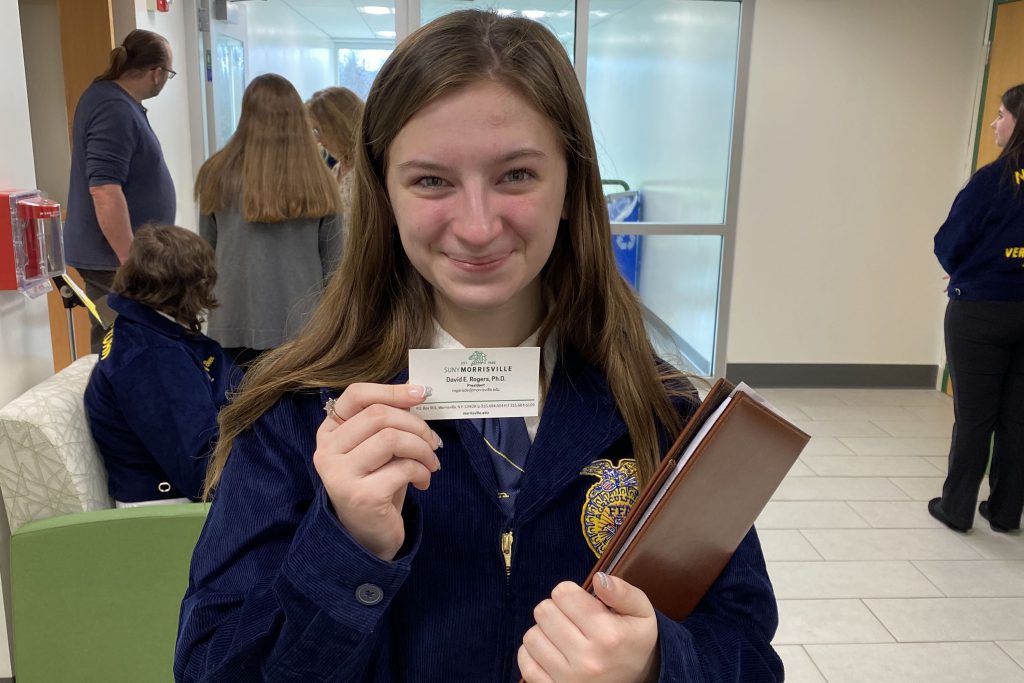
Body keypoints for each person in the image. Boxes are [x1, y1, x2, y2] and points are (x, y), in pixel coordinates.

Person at [175, 11, 781, 682]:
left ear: (570, 187)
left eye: (517, 174)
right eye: (431, 180)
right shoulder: (294, 416)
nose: (477, 225)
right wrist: (345, 547)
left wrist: (659, 663)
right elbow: (211, 666)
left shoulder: (657, 409)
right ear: (384, 194)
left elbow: (750, 653)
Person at [194, 74, 344, 368]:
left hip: (231, 321)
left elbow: (204, 256)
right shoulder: (320, 179)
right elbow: (335, 266)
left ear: (245, 113)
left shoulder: (215, 173)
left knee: (235, 409)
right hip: (303, 328)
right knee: (298, 413)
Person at [84, 226, 239, 507]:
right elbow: (203, 472)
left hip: (186, 488)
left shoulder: (144, 329)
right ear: (191, 288)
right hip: (169, 507)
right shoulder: (153, 357)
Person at [930, 83, 1024, 534]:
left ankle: (957, 508)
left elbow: (949, 242)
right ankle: (1005, 513)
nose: (995, 122)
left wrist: (967, 272)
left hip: (982, 313)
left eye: (1002, 114)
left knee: (974, 416)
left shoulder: (993, 179)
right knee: (1018, 417)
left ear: (1018, 122)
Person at [64, 29, 177, 353]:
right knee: (118, 343)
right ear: (157, 73)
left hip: (117, 255)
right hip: (112, 258)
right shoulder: (112, 107)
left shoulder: (114, 100)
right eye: (168, 73)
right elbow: (104, 189)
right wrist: (130, 259)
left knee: (131, 341)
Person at [307, 86, 365, 231]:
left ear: (338, 127)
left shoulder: (366, 173)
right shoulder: (337, 169)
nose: (318, 140)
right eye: (315, 131)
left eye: (319, 130)